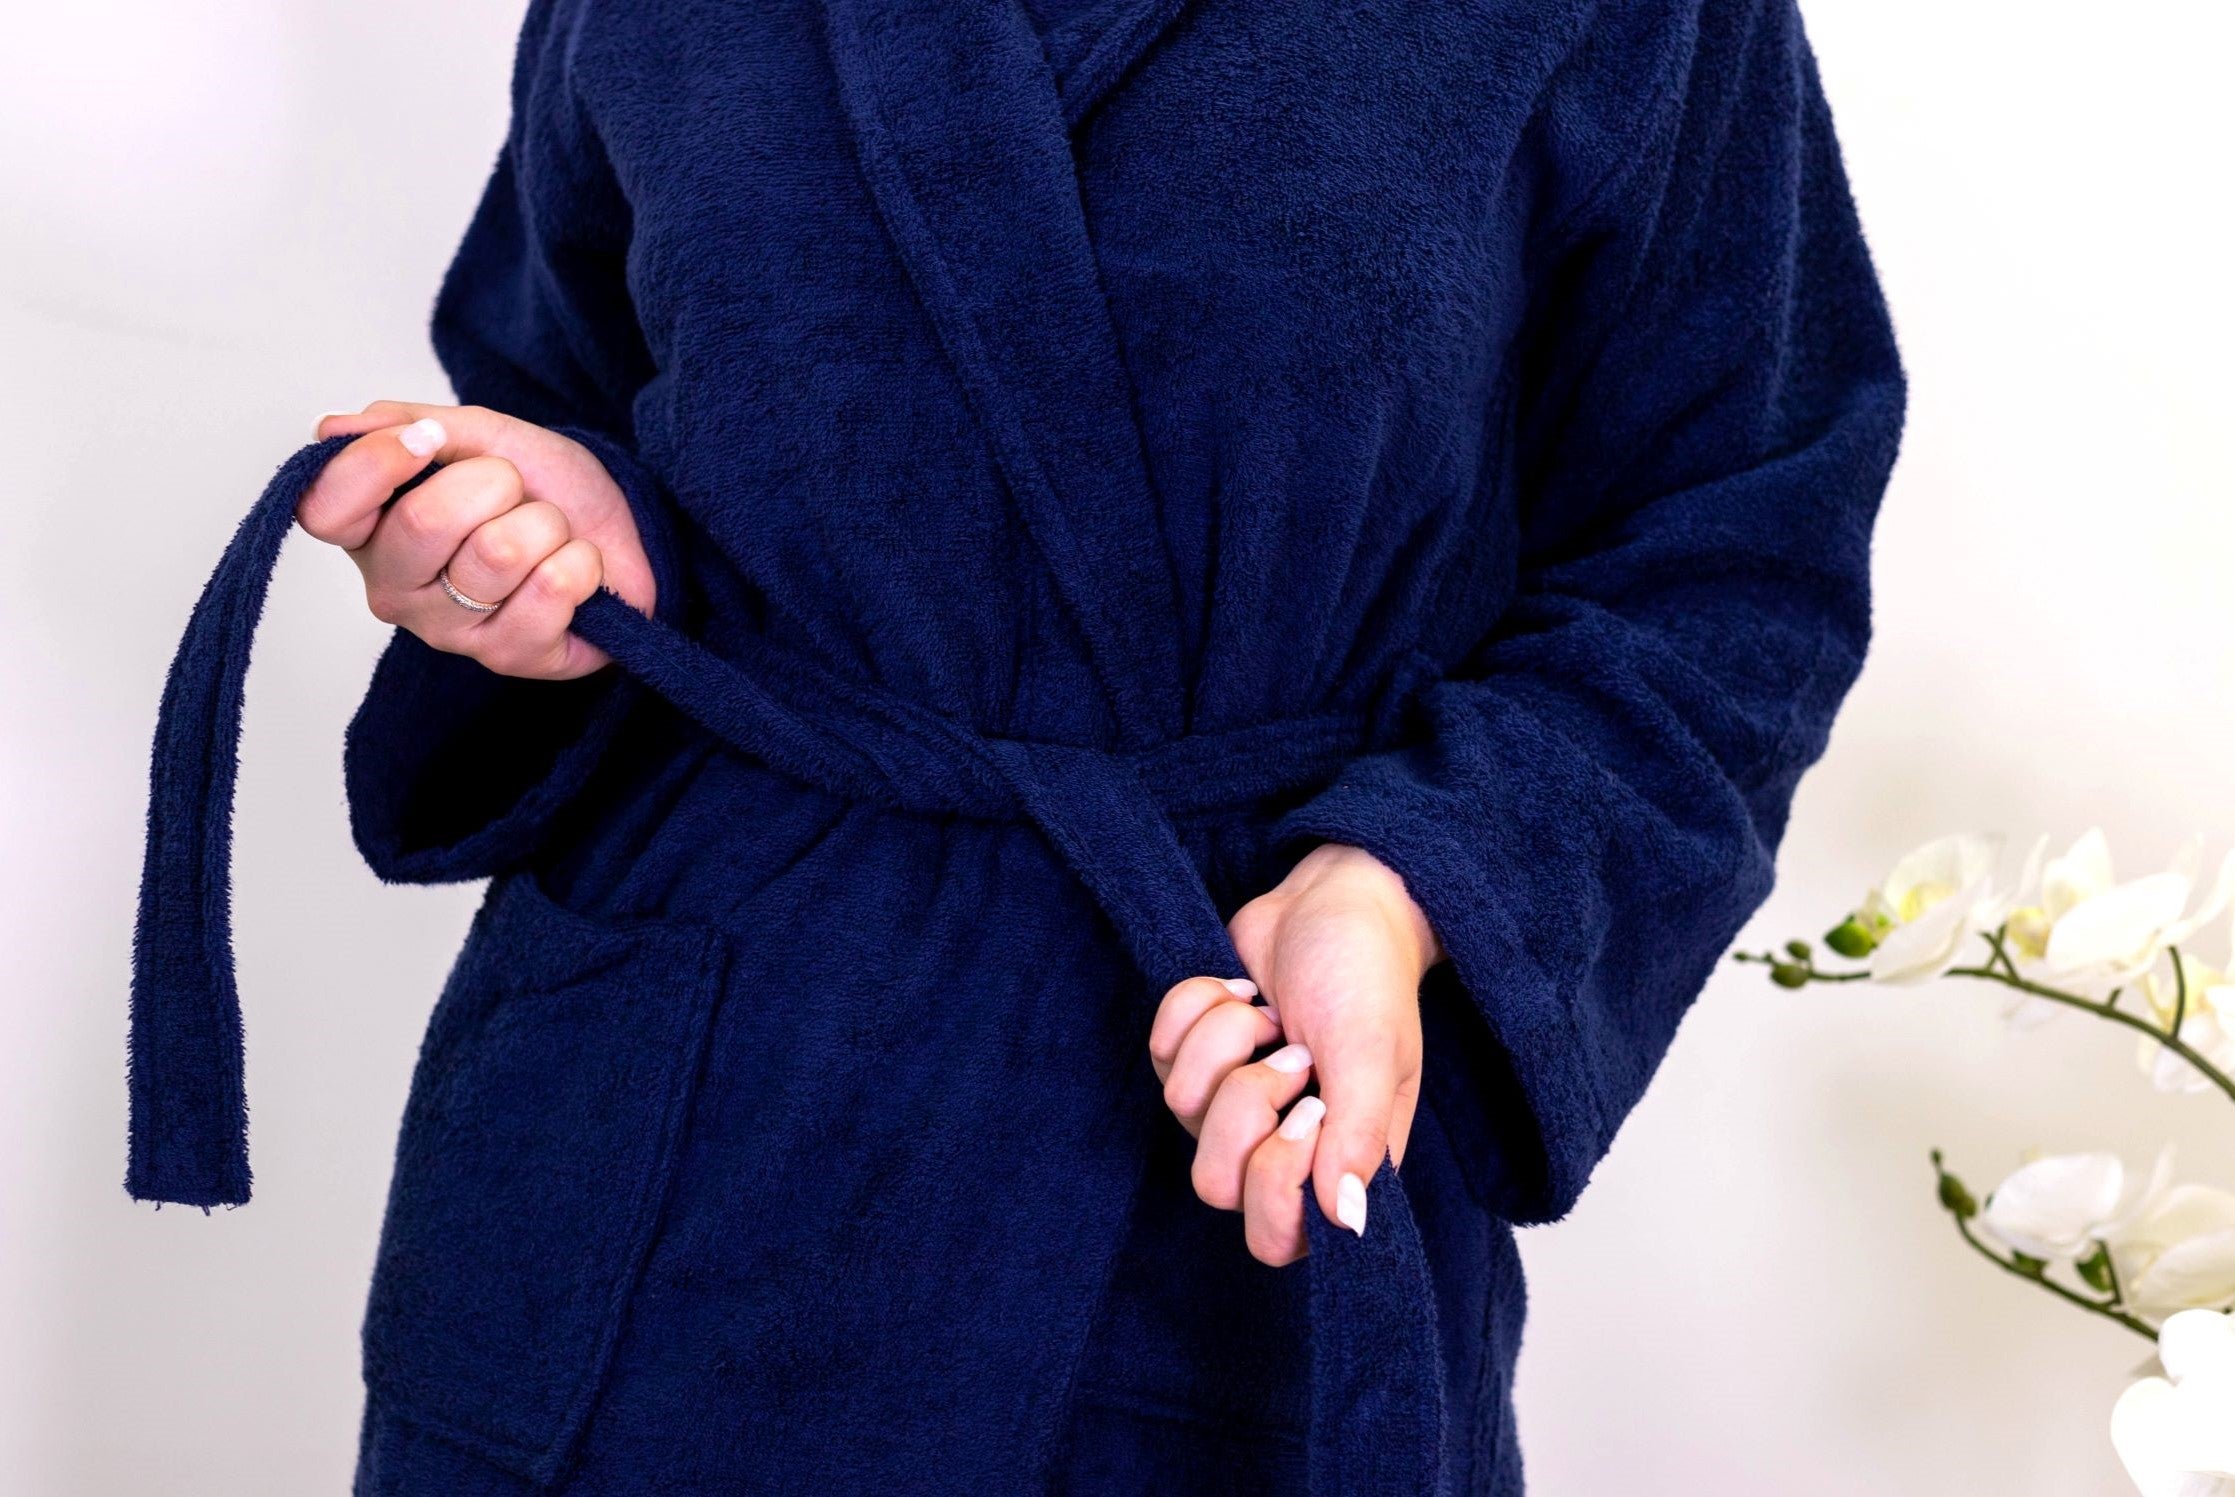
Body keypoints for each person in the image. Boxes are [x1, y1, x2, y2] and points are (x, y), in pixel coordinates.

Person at [127, 0, 1905, 1490]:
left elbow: (1735, 541)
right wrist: (553, 538)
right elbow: (571, 373)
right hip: (667, 1156)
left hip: (1222, 1126)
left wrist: (1411, 880)